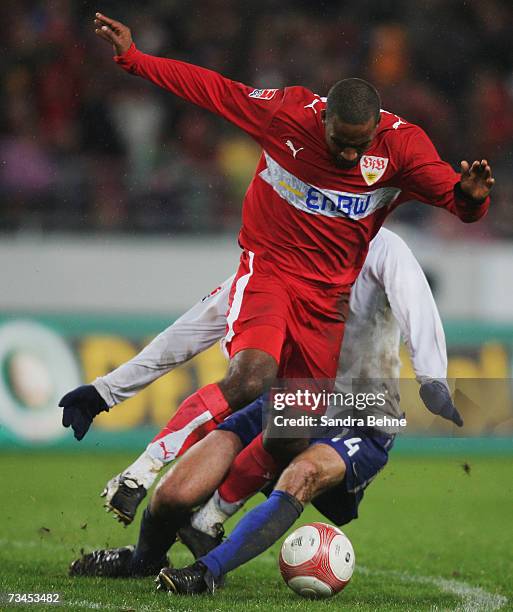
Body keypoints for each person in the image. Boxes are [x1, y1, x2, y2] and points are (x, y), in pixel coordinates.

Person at [62, 12, 492, 476]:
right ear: (324, 116)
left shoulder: (402, 149)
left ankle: (210, 516)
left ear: (375, 131)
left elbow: (458, 201)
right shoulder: (286, 115)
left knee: (291, 427)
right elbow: (212, 89)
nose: (349, 155)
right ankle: (142, 471)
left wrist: (470, 197)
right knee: (250, 377)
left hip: (324, 302)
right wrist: (134, 59)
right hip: (267, 269)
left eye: (359, 146)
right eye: (340, 143)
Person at [69, 228, 462, 585]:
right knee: (174, 495)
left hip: (360, 415)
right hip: (286, 401)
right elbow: (192, 329)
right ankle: (143, 562)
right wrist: (105, 391)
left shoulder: (383, 248)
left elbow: (416, 304)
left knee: (304, 473)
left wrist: (432, 378)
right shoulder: (277, 257)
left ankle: (205, 572)